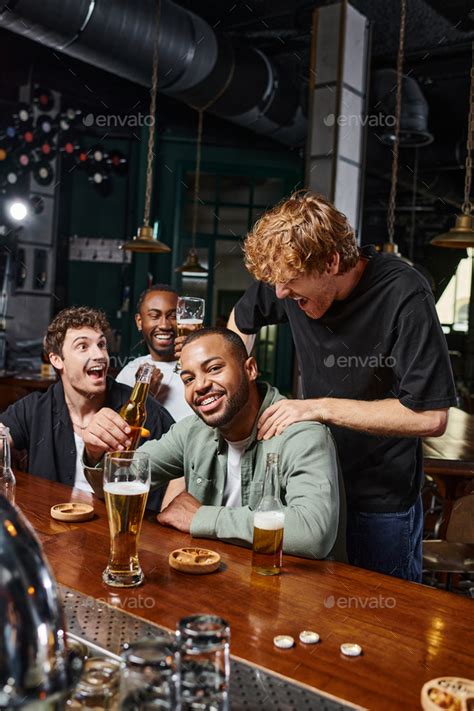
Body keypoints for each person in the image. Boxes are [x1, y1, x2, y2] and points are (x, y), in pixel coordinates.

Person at [227, 191, 458, 582]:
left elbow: (431, 416)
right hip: (310, 489)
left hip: (379, 498)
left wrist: (318, 407)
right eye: (277, 284)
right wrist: (235, 386)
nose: (280, 294)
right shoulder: (290, 277)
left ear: (331, 262)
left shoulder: (404, 292)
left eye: (291, 283)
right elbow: (241, 320)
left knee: (383, 625)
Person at [82, 328, 341, 559]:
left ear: (250, 369)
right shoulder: (192, 431)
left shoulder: (301, 433)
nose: (201, 385)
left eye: (214, 368)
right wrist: (95, 452)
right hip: (213, 584)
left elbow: (312, 533)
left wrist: (201, 517)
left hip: (293, 596)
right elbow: (117, 483)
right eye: (188, 379)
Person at [0, 306, 173, 494]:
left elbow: (184, 462)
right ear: (57, 360)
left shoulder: (143, 410)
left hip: (116, 521)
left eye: (101, 345)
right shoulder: (34, 408)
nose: (99, 355)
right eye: (83, 346)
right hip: (48, 519)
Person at [115, 284, 191, 507]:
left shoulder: (198, 367)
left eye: (173, 316)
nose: (165, 325)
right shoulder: (130, 372)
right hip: (145, 480)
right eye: (155, 316)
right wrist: (148, 395)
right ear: (140, 322)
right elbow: (122, 442)